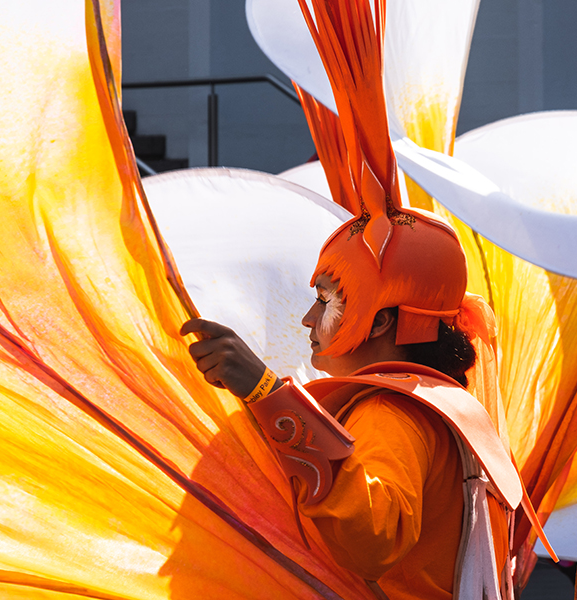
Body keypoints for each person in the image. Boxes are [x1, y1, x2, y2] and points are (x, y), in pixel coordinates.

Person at [179, 165, 549, 599]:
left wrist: (266, 392)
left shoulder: (390, 410)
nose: (308, 319)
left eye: (325, 300)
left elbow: (373, 538)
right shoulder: (440, 400)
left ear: (380, 323)